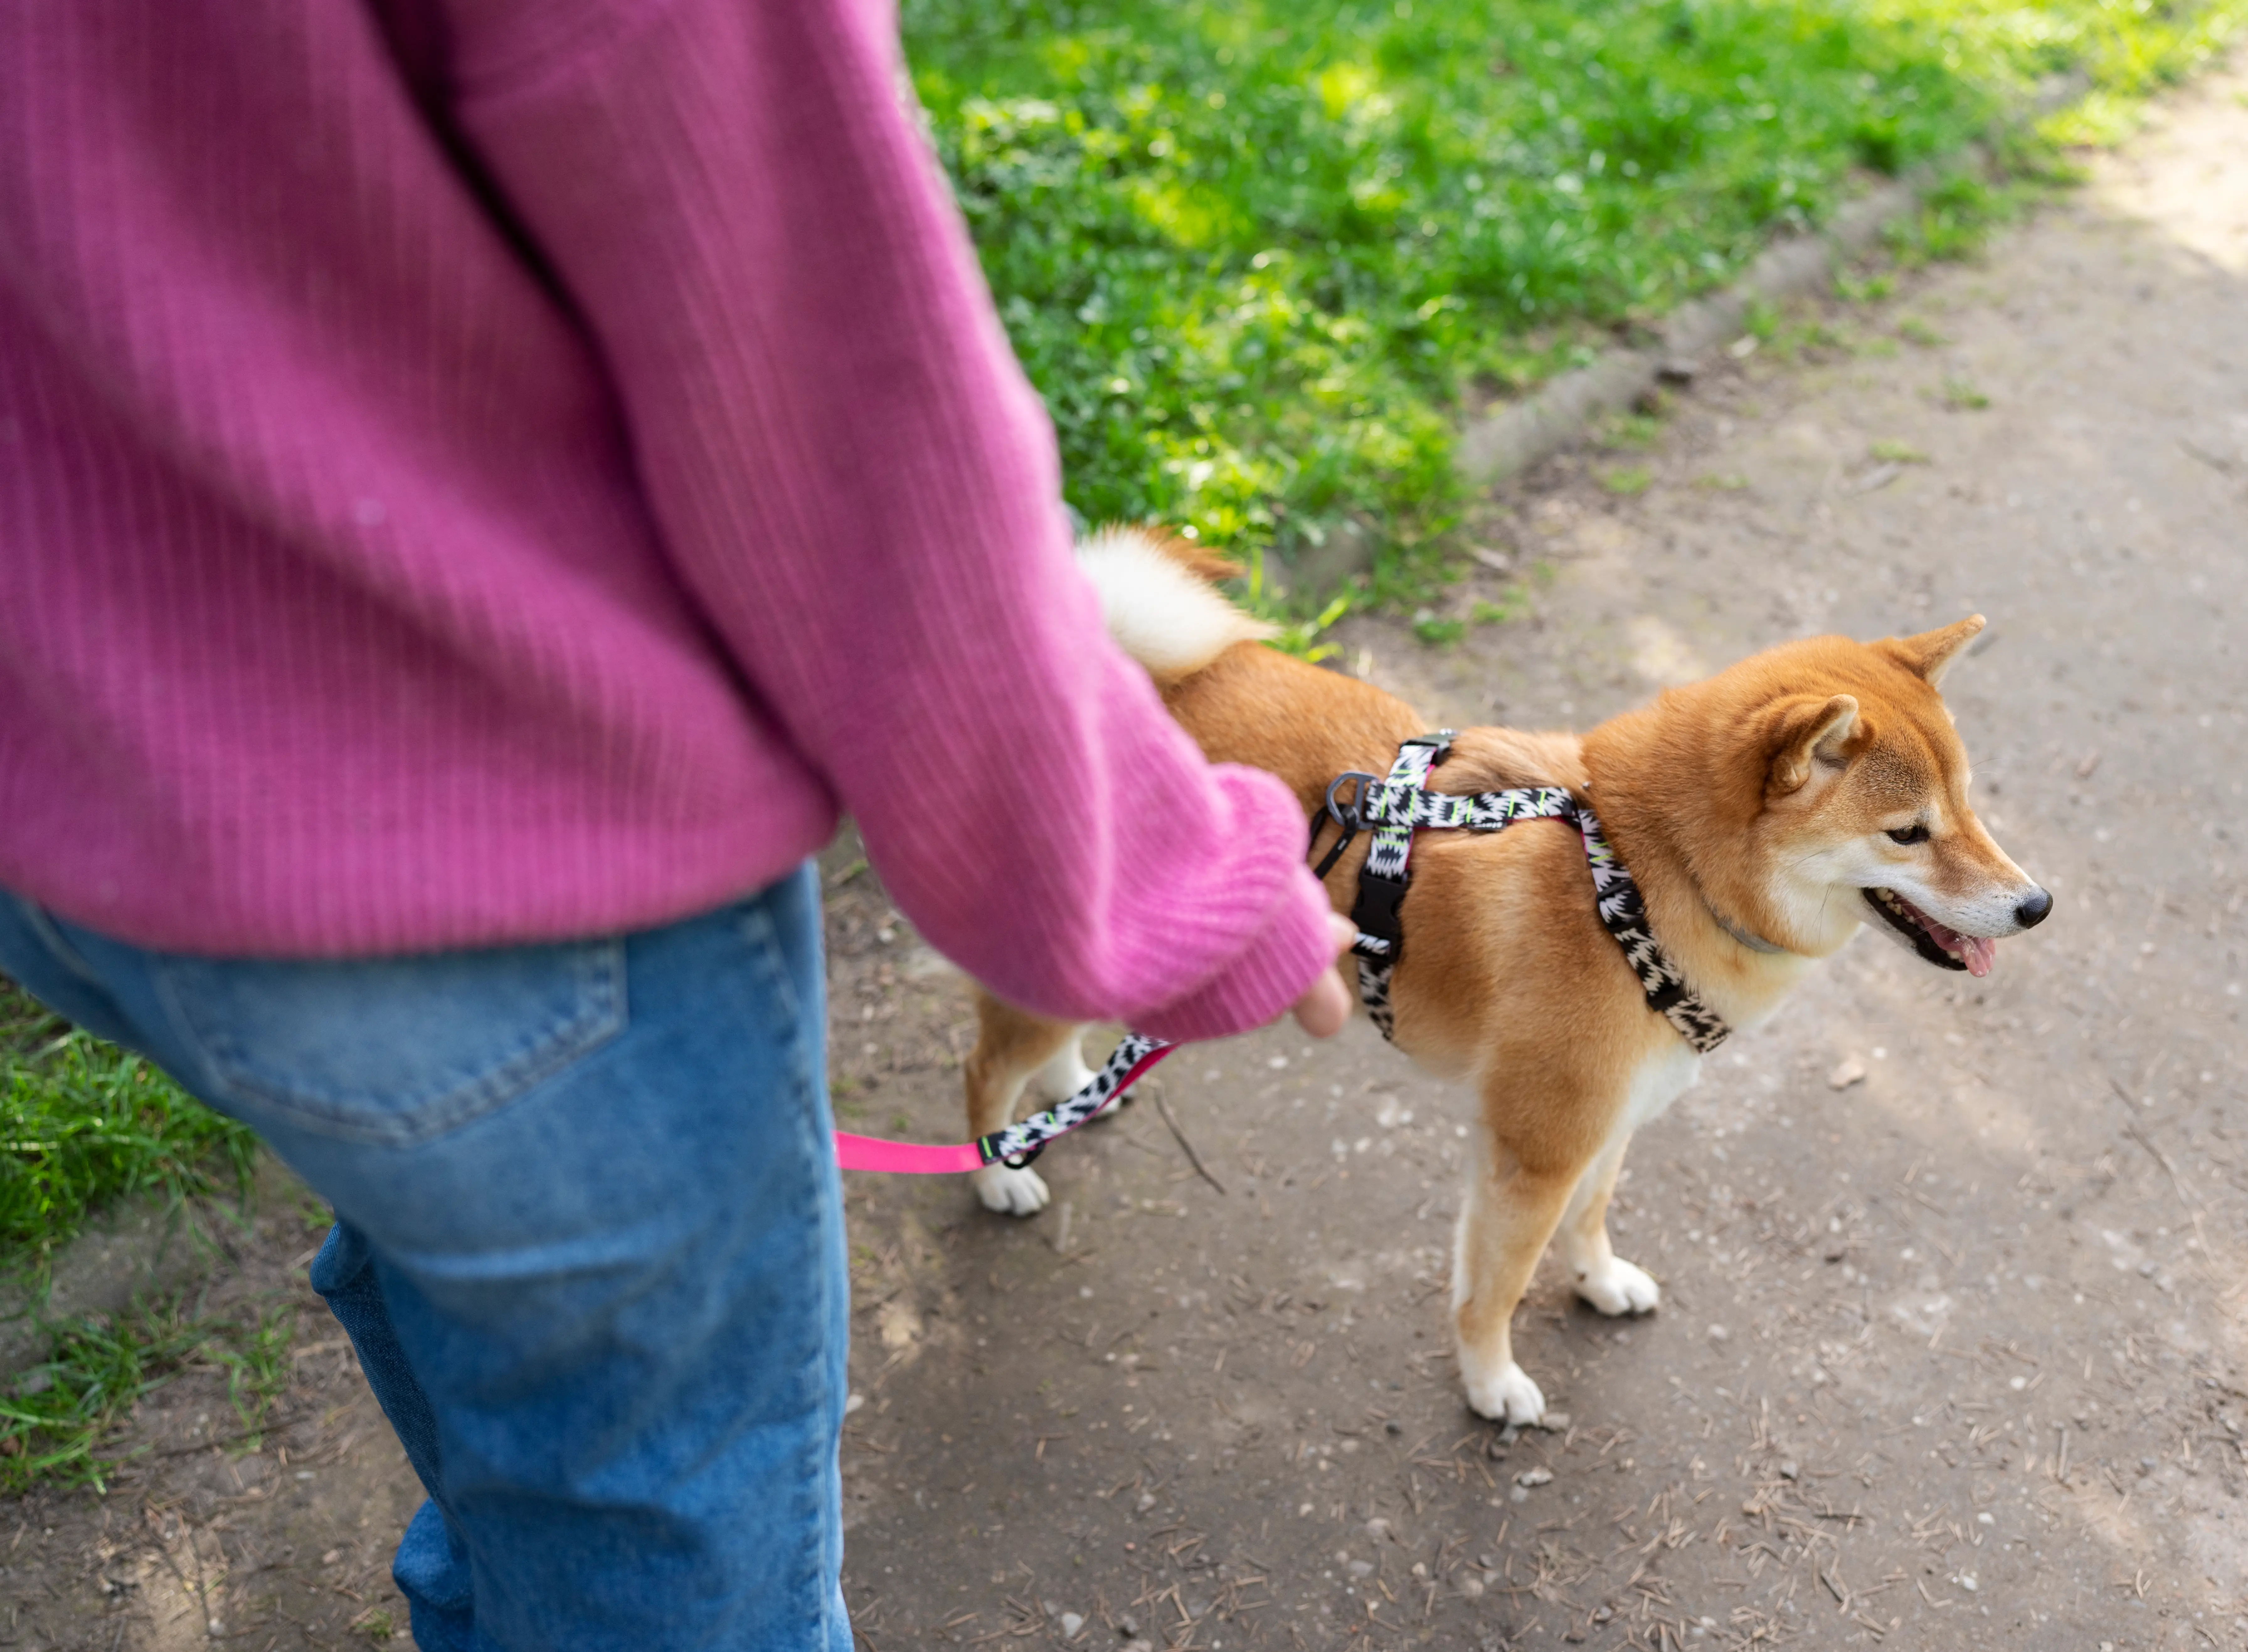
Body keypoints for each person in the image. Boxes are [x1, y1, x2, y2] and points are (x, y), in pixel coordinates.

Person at [0, 3, 1349, 1646]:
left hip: (79, 822)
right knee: (660, 1525)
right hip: (515, 896)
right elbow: (851, 423)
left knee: (486, 1342)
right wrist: (1171, 886)